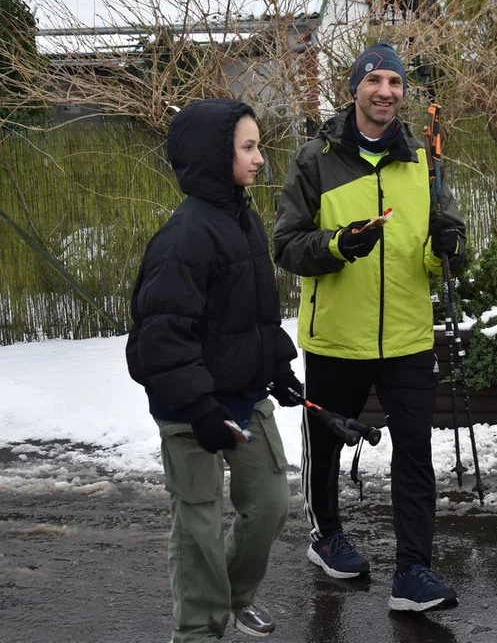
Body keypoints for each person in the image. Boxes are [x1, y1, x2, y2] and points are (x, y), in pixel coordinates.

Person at [273, 42, 466, 613]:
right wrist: (339, 244)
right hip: (337, 339)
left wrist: (446, 249)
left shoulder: (423, 161)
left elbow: (442, 249)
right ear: (354, 88)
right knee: (324, 447)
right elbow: (285, 245)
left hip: (407, 337)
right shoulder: (315, 157)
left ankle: (413, 573)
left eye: (395, 82)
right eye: (374, 80)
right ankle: (326, 535)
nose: (385, 91)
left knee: (414, 455)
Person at [125, 98, 304, 641]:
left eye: (258, 146)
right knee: (199, 526)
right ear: (212, 155)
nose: (259, 159)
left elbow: (254, 312)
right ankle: (199, 629)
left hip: (245, 398)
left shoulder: (244, 217)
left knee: (270, 505)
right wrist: (199, 407)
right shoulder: (183, 238)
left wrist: (276, 365)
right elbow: (158, 341)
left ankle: (233, 598)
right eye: (247, 148)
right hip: (191, 411)